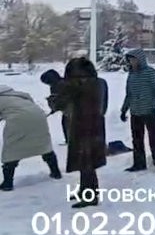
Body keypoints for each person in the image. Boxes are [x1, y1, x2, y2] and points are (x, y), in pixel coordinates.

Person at [52, 58, 108, 208]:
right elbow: (104, 106)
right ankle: (85, 190)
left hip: (82, 126)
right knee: (87, 162)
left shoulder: (77, 86)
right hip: (95, 125)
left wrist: (57, 89)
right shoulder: (99, 83)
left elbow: (59, 104)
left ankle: (90, 196)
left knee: (86, 161)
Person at [0, 85, 62, 191]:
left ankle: (7, 183)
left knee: (12, 149)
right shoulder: (18, 95)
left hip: (18, 120)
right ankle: (56, 172)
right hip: (39, 117)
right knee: (43, 145)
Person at [120, 49, 155, 174]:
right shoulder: (131, 75)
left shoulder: (150, 73)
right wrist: (124, 110)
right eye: (130, 60)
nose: (132, 62)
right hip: (135, 112)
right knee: (137, 139)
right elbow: (129, 94)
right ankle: (139, 163)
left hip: (150, 111)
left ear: (140, 60)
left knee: (154, 139)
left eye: (134, 59)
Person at [41, 68, 69, 145]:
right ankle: (69, 140)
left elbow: (60, 99)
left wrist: (53, 103)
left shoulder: (57, 85)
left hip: (69, 109)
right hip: (69, 108)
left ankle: (70, 140)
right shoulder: (64, 81)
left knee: (67, 124)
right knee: (66, 123)